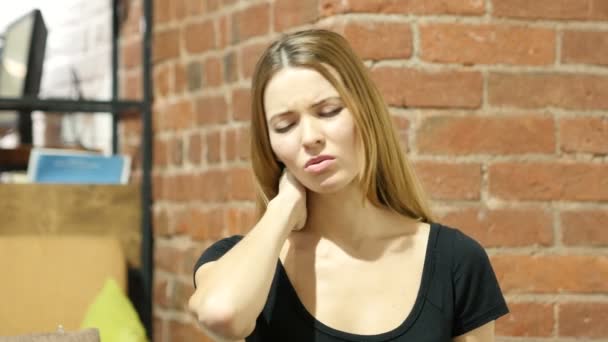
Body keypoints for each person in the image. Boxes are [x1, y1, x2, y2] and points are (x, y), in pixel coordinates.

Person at [188, 29, 509, 342]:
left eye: (328, 111)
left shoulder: (454, 261)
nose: (310, 136)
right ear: (270, 145)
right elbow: (222, 314)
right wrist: (283, 208)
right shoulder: (242, 262)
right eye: (285, 125)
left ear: (365, 112)